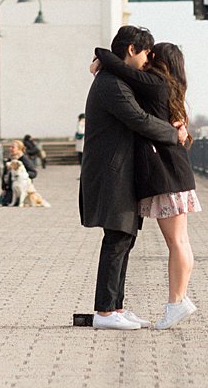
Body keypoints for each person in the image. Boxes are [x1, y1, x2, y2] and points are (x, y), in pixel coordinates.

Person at [79, 25, 189, 331]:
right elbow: (139, 120)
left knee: (124, 238)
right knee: (116, 238)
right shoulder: (112, 84)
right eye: (144, 54)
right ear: (131, 50)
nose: (146, 62)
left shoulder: (115, 78)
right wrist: (174, 134)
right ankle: (104, 312)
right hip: (111, 172)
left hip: (120, 171)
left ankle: (116, 307)